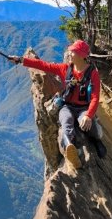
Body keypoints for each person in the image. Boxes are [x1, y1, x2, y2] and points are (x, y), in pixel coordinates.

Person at [9, 40, 106, 168]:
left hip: (83, 108)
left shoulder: (92, 74)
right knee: (66, 122)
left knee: (87, 124)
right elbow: (44, 65)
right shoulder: (66, 69)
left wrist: (89, 115)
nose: (70, 53)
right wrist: (21, 60)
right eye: (70, 51)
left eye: (73, 52)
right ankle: (71, 149)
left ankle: (96, 139)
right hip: (67, 105)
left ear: (82, 56)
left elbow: (95, 97)